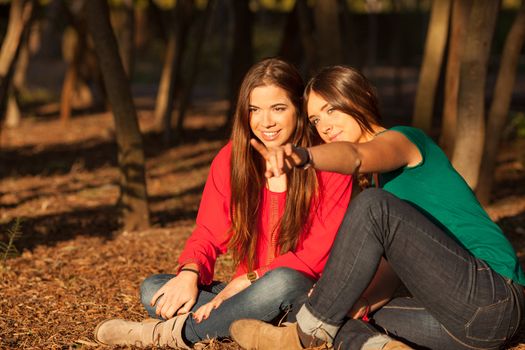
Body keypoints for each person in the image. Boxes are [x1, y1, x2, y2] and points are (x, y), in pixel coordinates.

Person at [230, 65, 525, 350]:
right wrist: (340, 301)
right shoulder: (384, 191)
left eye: (331, 109)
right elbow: (389, 274)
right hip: (470, 328)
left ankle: (300, 336)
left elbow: (357, 156)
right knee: (344, 317)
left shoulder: (405, 140)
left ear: (360, 98)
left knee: (372, 206)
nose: (325, 126)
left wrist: (304, 156)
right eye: (316, 120)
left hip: (494, 295)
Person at [93, 58, 353, 348]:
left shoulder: (326, 161)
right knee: (154, 289)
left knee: (282, 281)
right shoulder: (232, 160)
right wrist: (190, 273)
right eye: (255, 110)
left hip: (303, 293)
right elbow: (208, 231)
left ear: (299, 110)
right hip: (247, 296)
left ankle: (169, 334)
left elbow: (312, 257)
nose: (265, 122)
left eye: (278, 109)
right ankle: (250, 325)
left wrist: (246, 281)